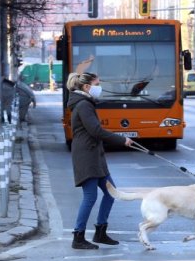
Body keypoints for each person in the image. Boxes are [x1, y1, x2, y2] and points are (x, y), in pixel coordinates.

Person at [66, 72, 133, 250]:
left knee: (111, 193)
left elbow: (95, 132)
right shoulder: (83, 105)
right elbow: (96, 130)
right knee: (90, 197)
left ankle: (100, 232)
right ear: (87, 87)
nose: (99, 87)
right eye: (97, 83)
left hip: (95, 155)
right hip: (86, 156)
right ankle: (78, 237)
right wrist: (121, 139)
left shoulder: (86, 103)